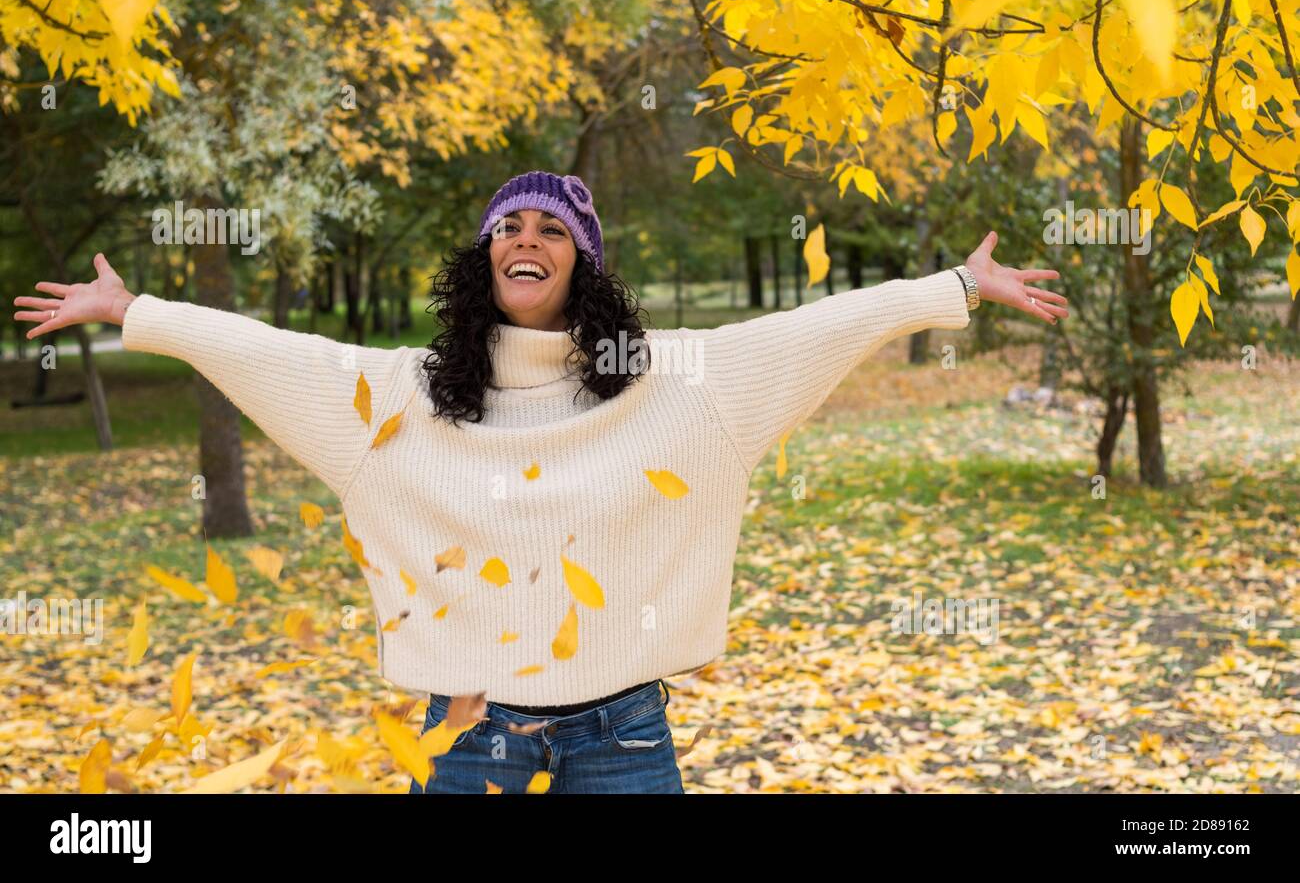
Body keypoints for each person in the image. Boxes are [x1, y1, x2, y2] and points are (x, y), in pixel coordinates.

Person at [13, 170, 1067, 793]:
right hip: (468, 734)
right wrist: (135, 313)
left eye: (550, 227)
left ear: (582, 262)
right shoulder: (401, 396)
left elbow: (807, 328)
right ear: (484, 264)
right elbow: (274, 352)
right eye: (507, 228)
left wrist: (949, 289)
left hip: (624, 735)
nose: (526, 238)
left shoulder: (675, 383)